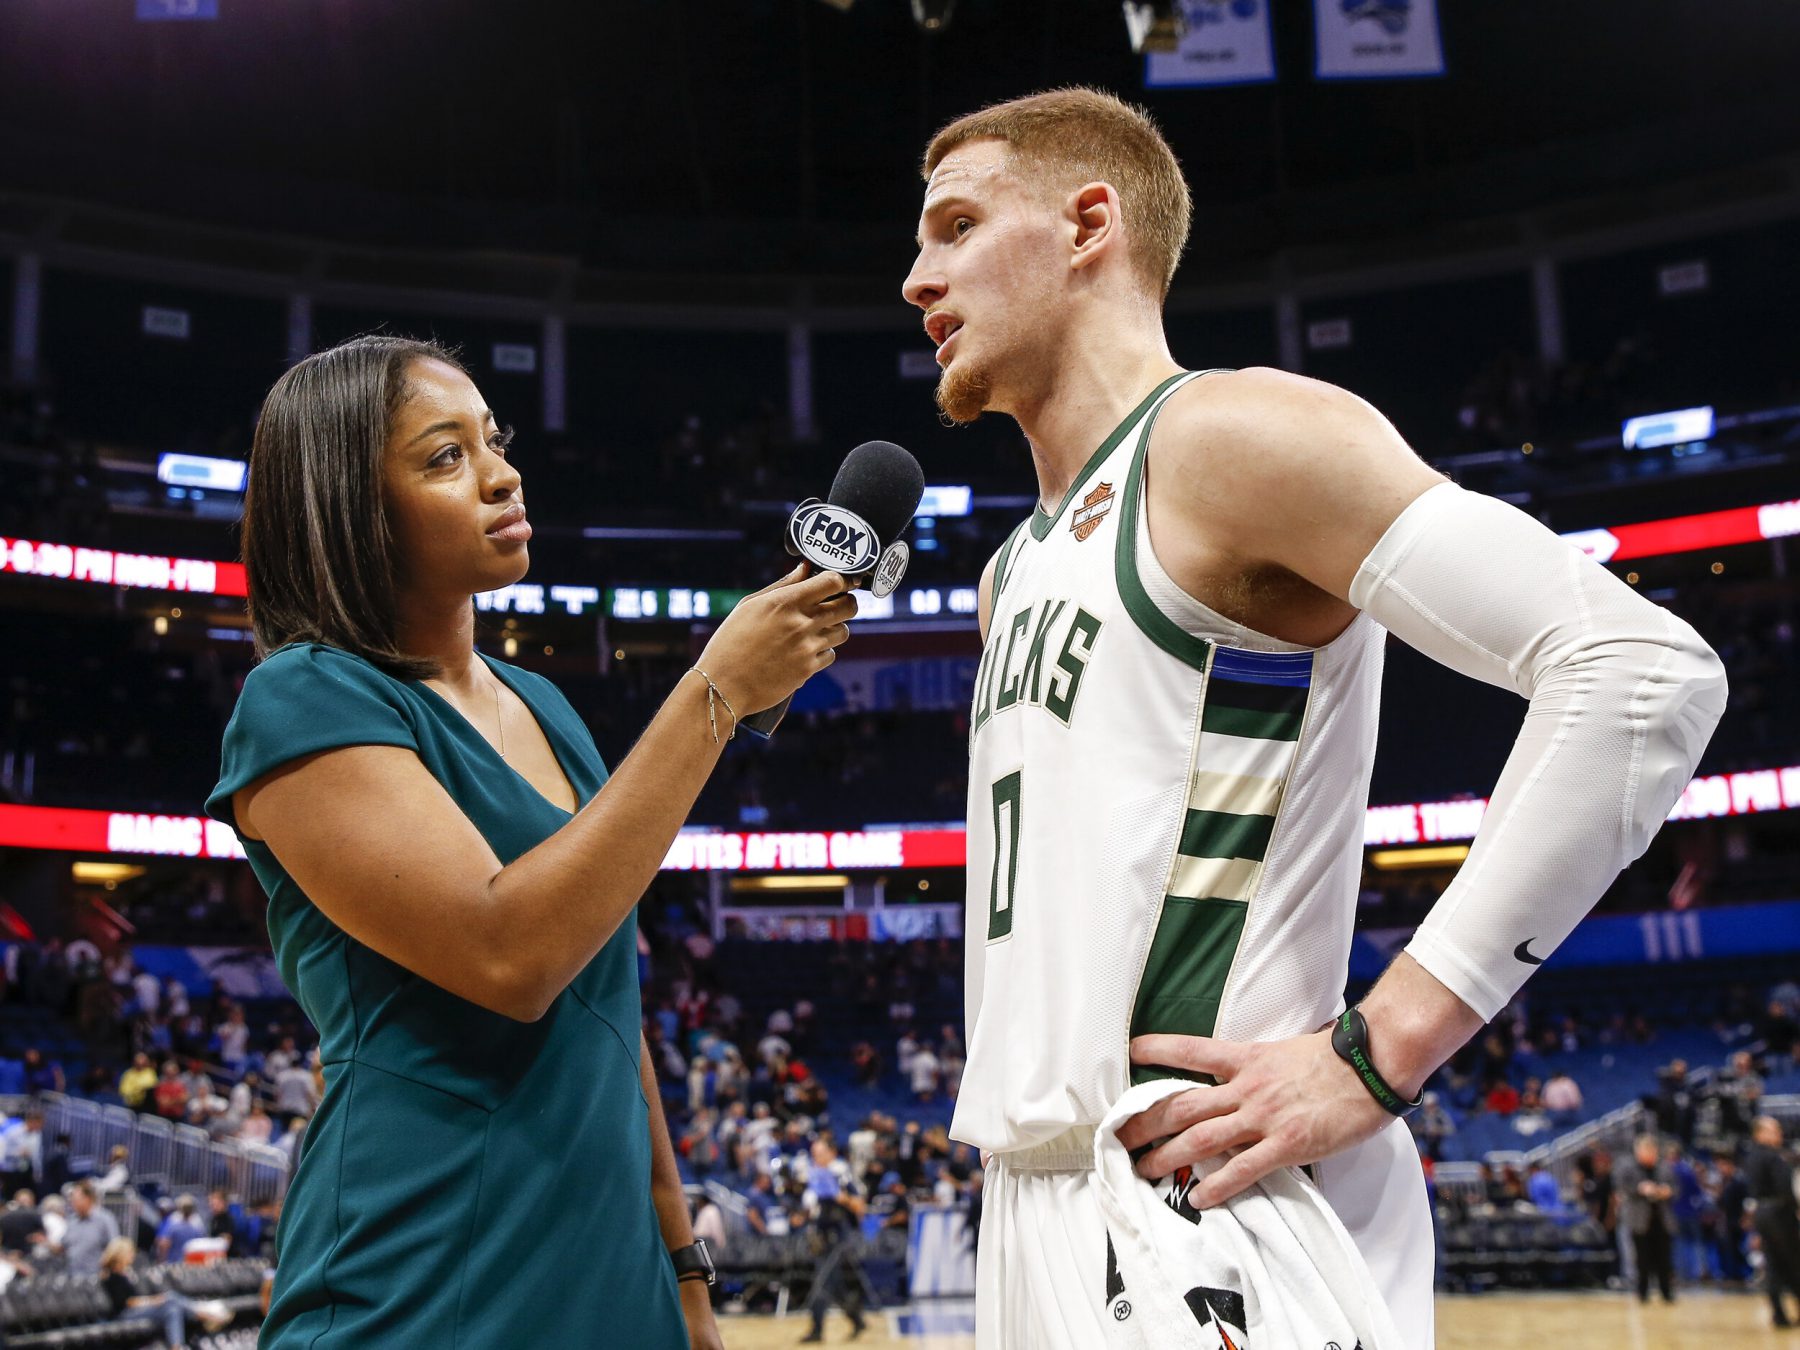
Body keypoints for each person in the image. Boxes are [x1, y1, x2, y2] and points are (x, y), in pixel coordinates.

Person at [901, 88, 1726, 1349]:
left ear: (1087, 225)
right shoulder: (1009, 569)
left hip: (1206, 1189)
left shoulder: (1229, 436)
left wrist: (1379, 1048)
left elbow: (1640, 669)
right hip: (1036, 1193)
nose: (918, 277)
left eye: (956, 225)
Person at [205, 335, 853, 1348]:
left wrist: (685, 1273)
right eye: (444, 457)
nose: (504, 473)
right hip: (422, 1276)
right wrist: (713, 695)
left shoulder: (546, 707)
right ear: (350, 505)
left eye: (494, 441)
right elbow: (512, 954)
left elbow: (615, 1014)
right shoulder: (302, 698)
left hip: (617, 1279)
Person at [99, 1238, 232, 1348]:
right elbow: (126, 1302)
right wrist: (153, 1301)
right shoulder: (111, 1276)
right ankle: (205, 1313)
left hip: (134, 1310)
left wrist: (154, 1300)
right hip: (124, 1314)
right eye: (130, 1253)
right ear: (120, 1254)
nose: (132, 1256)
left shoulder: (125, 1274)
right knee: (170, 1300)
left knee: (172, 1308)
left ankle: (177, 1346)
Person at [1745, 1115, 1800, 1328]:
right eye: (1774, 1130)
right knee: (1793, 1261)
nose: (1779, 1134)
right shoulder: (1773, 1157)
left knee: (1774, 1265)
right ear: (1760, 1133)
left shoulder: (1751, 1156)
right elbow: (1785, 1188)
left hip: (1762, 1212)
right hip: (1779, 1213)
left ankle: (1779, 1314)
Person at [1615, 1134, 1677, 1304]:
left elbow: (1675, 1188)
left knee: (1664, 1258)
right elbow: (1621, 1187)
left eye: (1651, 1149)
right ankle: (1642, 1293)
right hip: (1639, 1220)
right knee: (1641, 1258)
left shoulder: (1664, 1167)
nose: (1649, 1153)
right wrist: (1639, 1189)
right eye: (1645, 1149)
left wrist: (1666, 1191)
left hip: (1662, 1219)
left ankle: (1667, 1292)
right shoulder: (1627, 1167)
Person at [58, 1181, 120, 1276]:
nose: (72, 1204)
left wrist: (107, 1270)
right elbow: (63, 1246)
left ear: (88, 1199)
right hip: (72, 1277)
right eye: (71, 1201)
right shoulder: (72, 1221)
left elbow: (115, 1247)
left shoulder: (105, 1219)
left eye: (75, 1200)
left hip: (97, 1278)